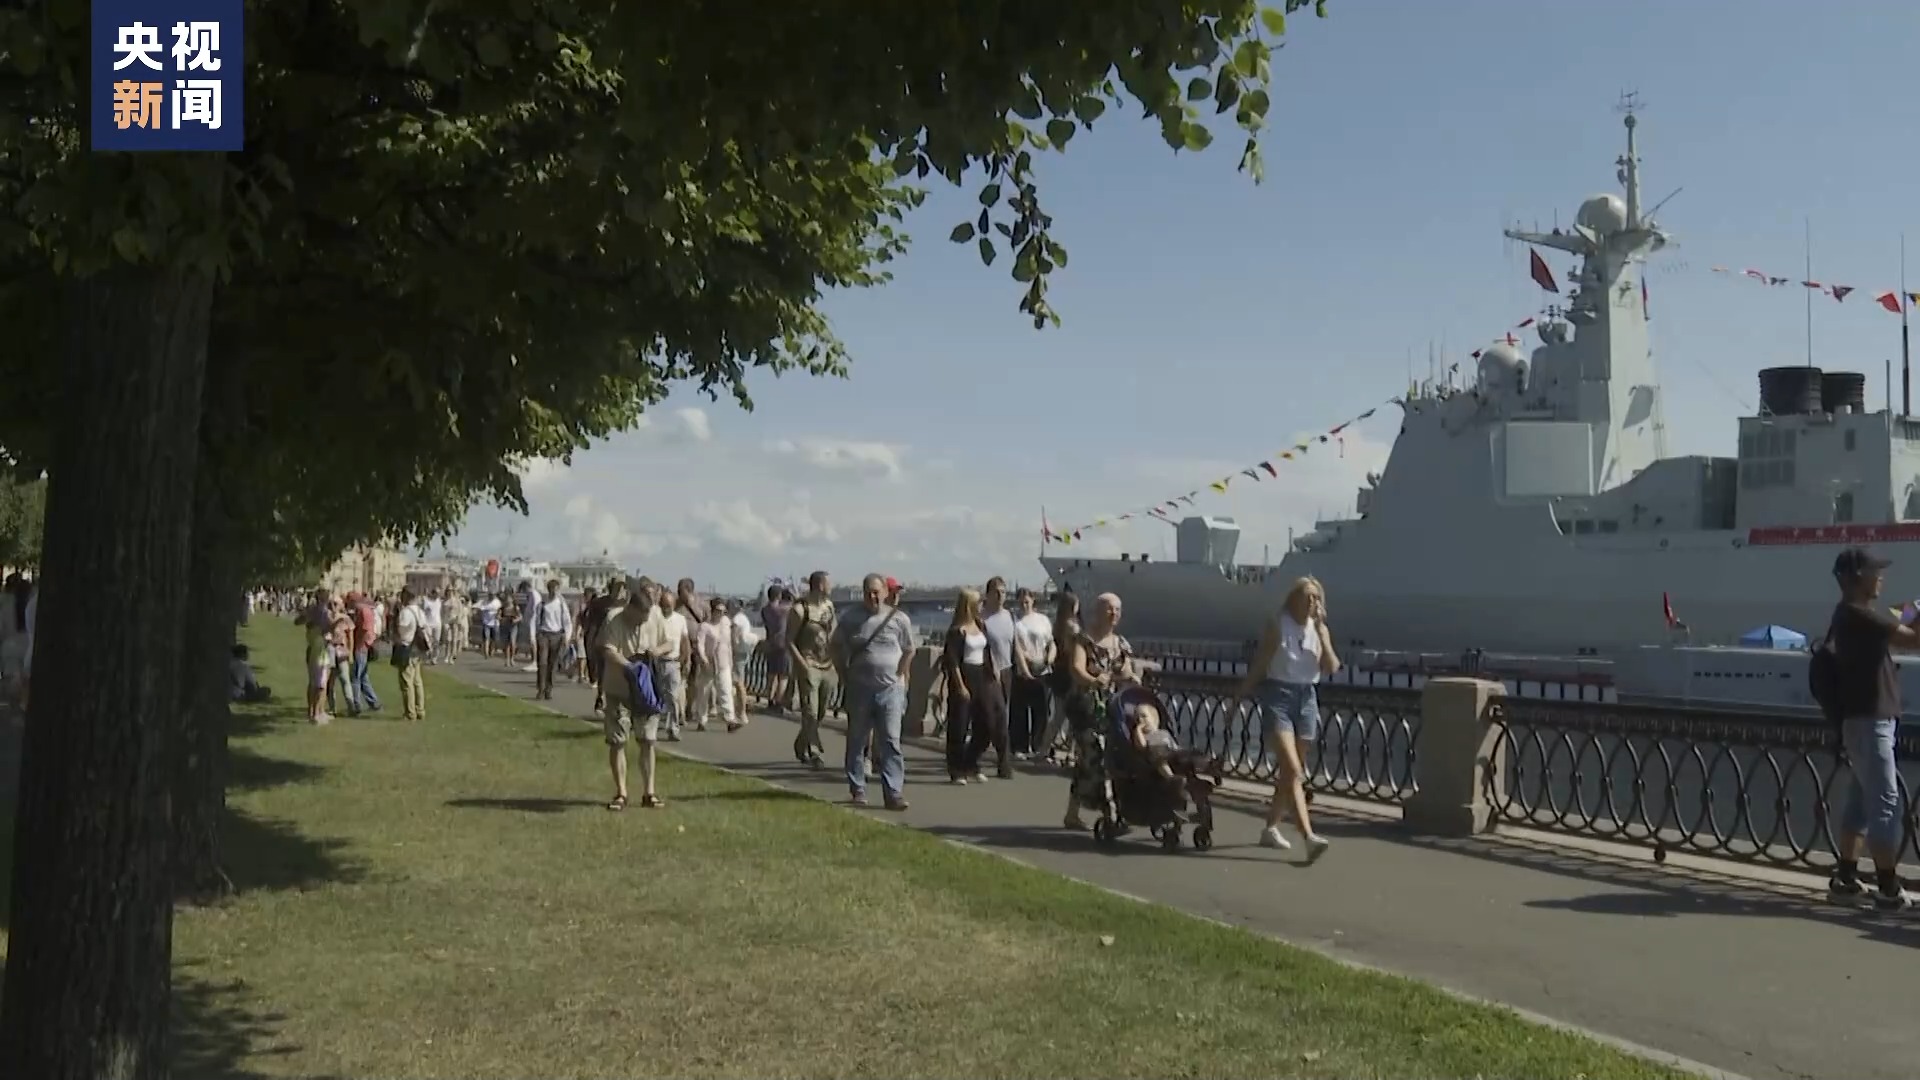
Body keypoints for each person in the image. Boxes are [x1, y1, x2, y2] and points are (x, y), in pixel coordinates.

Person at [1822, 547, 1920, 909]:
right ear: (1857, 578)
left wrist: (1915, 607)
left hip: (1863, 722)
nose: (1881, 577)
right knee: (1885, 803)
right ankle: (1888, 888)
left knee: (1861, 804)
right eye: (1875, 571)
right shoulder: (1859, 616)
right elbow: (1913, 638)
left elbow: (1896, 618)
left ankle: (1846, 879)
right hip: (1870, 722)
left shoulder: (1852, 614)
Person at [1235, 576, 1335, 862]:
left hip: (1307, 698)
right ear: (1293, 600)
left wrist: (1322, 633)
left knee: (1291, 772)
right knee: (1292, 768)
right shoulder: (1278, 625)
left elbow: (1331, 666)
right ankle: (1308, 836)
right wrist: (1238, 697)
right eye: (1307, 596)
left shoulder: (1319, 629)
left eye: (1316, 597)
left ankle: (1270, 828)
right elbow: (1261, 664)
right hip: (1278, 695)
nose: (1312, 602)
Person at [831, 573, 915, 811]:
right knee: (857, 739)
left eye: (877, 592)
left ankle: (894, 793)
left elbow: (909, 649)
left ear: (886, 593)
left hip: (890, 690)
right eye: (868, 592)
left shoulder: (899, 619)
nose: (873, 597)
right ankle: (858, 788)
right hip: (860, 688)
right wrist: (843, 673)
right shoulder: (851, 618)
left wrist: (900, 674)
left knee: (890, 740)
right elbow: (835, 645)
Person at [1061, 592, 1134, 830]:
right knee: (1097, 757)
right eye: (1109, 609)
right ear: (1098, 612)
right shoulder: (1084, 640)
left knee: (1090, 761)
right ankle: (1110, 811)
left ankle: (1072, 814)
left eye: (1117, 610)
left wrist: (1131, 677)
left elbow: (1126, 670)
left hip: (1112, 708)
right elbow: (1076, 669)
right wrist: (1093, 680)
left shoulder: (1120, 644)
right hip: (1086, 708)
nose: (1114, 614)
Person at [597, 576, 670, 810]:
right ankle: (621, 793)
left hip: (646, 691)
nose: (641, 624)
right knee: (618, 740)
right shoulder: (614, 618)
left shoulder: (655, 615)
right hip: (619, 688)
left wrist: (656, 651)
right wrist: (629, 667)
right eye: (639, 619)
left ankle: (649, 793)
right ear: (631, 610)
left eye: (645, 620)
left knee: (648, 740)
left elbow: (669, 643)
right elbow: (607, 649)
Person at [943, 586, 1011, 784]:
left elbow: (987, 651)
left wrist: (994, 671)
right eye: (979, 602)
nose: (982, 605)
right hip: (964, 675)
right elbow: (952, 661)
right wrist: (960, 685)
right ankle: (957, 769)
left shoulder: (980, 625)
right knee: (959, 726)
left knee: (987, 723)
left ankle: (971, 761)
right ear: (969, 605)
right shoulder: (956, 631)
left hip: (983, 675)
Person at [787, 570, 839, 768]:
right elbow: (789, 640)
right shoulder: (800, 610)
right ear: (820, 585)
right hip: (809, 664)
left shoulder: (829, 607)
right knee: (810, 711)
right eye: (829, 583)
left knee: (821, 712)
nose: (831, 586)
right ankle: (815, 751)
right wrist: (801, 664)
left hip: (827, 664)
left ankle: (801, 743)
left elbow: (834, 633)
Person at [1009, 586, 1054, 758]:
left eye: (1027, 601)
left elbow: (1051, 642)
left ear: (1033, 600)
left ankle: (1038, 746)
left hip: (1042, 669)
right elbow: (1016, 647)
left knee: (1041, 711)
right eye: (1021, 601)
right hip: (1022, 670)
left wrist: (1049, 659)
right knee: (1019, 711)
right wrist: (1026, 665)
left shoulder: (1043, 620)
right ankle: (1019, 747)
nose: (1024, 604)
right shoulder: (1015, 621)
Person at [1037, 592, 1080, 766]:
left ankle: (1044, 749)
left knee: (1058, 716)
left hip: (1059, 674)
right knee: (1074, 716)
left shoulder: (1058, 625)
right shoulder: (1073, 627)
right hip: (1071, 674)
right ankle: (1071, 753)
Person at [693, 599, 741, 732]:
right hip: (709, 663)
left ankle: (730, 720)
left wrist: (732, 660)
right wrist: (703, 658)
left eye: (723, 611)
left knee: (726, 691)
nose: (721, 614)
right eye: (718, 611)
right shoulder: (705, 626)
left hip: (723, 662)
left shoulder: (726, 622)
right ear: (712, 611)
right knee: (704, 692)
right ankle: (702, 720)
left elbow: (729, 642)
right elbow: (700, 644)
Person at [585, 579, 625, 713]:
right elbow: (593, 624)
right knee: (602, 672)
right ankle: (600, 697)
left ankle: (616, 703)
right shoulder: (600, 603)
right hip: (602, 640)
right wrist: (591, 641)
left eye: (622, 588)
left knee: (618, 673)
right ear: (611, 588)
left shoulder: (625, 603)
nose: (620, 591)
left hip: (619, 642)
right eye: (617, 588)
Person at [391, 587, 431, 721]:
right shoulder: (419, 611)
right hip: (417, 649)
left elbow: (401, 629)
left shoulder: (405, 612)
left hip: (406, 647)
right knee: (417, 681)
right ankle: (420, 709)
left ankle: (410, 712)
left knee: (406, 682)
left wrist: (395, 626)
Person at [296, 588, 333, 725]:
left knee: (315, 683)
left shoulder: (313, 611)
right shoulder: (322, 612)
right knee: (319, 684)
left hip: (315, 648)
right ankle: (316, 713)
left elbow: (298, 621)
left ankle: (313, 711)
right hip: (319, 650)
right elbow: (327, 628)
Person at [657, 593, 692, 737]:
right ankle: (652, 724)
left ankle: (673, 728)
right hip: (657, 662)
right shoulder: (656, 618)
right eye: (664, 606)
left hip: (673, 662)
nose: (666, 609)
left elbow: (685, 640)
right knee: (658, 695)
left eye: (669, 606)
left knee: (673, 697)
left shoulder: (680, 619)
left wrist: (687, 659)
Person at [760, 584, 794, 714]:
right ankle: (778, 702)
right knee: (783, 676)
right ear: (779, 595)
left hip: (770, 644)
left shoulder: (765, 610)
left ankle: (769, 700)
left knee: (771, 675)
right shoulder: (784, 610)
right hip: (783, 644)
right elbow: (794, 605)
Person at [478, 592, 502, 659]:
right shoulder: (484, 602)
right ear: (488, 595)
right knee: (486, 638)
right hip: (486, 623)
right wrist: (481, 617)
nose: (491, 596)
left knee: (494, 639)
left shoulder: (497, 602)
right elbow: (481, 610)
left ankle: (492, 651)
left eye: (493, 595)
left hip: (495, 623)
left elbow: (500, 611)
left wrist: (498, 615)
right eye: (490, 595)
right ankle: (486, 653)